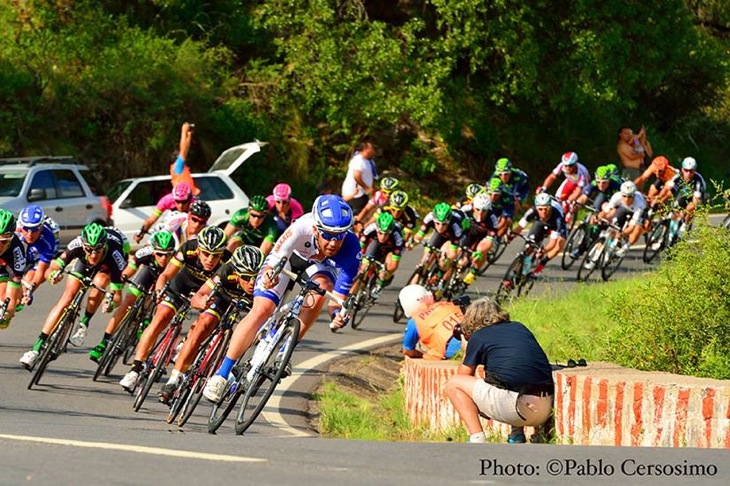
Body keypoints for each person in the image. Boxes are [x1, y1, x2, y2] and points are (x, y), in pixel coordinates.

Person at [203, 195, 361, 402]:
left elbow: (337, 299)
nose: (333, 242)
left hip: (318, 268)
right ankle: (221, 375)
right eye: (327, 234)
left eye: (339, 236)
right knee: (262, 309)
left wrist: (337, 315)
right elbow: (275, 261)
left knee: (323, 288)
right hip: (287, 259)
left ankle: (285, 351)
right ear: (315, 228)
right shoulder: (301, 228)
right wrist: (269, 276)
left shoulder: (352, 250)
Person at [119, 226, 230, 392]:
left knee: (205, 322)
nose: (210, 259)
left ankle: (185, 345)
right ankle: (135, 369)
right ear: (198, 249)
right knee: (160, 318)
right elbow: (166, 274)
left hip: (208, 292)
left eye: (215, 255)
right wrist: (159, 292)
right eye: (206, 253)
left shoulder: (228, 261)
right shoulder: (188, 248)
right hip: (183, 284)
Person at [158, 245, 263, 404]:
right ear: (236, 273)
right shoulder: (226, 271)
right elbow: (199, 295)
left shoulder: (263, 282)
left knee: (246, 334)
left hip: (251, 305)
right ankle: (174, 379)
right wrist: (202, 302)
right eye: (246, 277)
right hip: (222, 297)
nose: (252, 282)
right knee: (203, 325)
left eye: (255, 277)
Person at [445, 297, 554, 444]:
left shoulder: (479, 336)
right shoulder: (519, 327)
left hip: (517, 410)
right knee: (505, 377)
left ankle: (477, 438)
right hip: (546, 408)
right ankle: (516, 435)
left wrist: (466, 349)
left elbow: (463, 376)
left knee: (454, 383)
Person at [19, 223, 128, 368]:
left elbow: (118, 296)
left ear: (104, 246)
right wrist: (53, 275)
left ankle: (84, 322)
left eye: (98, 250)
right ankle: (36, 349)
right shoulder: (75, 245)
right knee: (67, 298)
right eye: (89, 250)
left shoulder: (115, 255)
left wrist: (111, 304)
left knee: (100, 283)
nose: (94, 255)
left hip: (108, 264)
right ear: (83, 246)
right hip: (83, 262)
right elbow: (53, 267)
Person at [88, 231, 176, 362]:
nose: (163, 258)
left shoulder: (176, 261)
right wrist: (123, 277)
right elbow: (129, 269)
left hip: (166, 280)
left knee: (159, 308)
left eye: (167, 254)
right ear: (153, 252)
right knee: (128, 302)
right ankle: (104, 342)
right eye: (160, 254)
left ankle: (145, 329)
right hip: (147, 274)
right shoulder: (144, 253)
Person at [509, 193, 567, 277]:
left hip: (554, 224)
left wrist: (543, 251)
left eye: (546, 209)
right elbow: (520, 227)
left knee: (558, 247)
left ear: (550, 207)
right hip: (540, 223)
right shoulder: (532, 211)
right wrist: (511, 237)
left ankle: (539, 268)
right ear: (536, 207)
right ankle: (519, 268)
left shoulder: (557, 218)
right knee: (530, 245)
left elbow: (552, 243)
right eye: (540, 209)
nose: (543, 212)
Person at [399, 285, 463, 360]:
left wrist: (422, 355)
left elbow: (407, 351)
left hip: (456, 351)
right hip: (473, 339)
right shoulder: (445, 304)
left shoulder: (414, 322)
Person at [16, 205, 60, 308]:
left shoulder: (49, 238)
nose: (30, 234)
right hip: (21, 251)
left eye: (34, 229)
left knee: (27, 282)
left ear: (41, 227)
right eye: (26, 229)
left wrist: (30, 289)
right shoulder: (16, 230)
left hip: (38, 256)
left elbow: (40, 271)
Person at [355, 211, 405, 299]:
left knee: (388, 267)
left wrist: (386, 273)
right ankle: (359, 287)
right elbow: (359, 248)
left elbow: (394, 264)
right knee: (364, 266)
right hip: (376, 243)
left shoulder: (397, 235)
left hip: (391, 248)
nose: (382, 237)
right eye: (380, 233)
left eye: (386, 234)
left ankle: (380, 284)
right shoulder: (371, 229)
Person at [537, 152, 591, 224]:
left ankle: (568, 220)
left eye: (570, 165)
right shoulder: (562, 165)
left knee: (572, 205)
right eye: (566, 166)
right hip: (571, 181)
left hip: (583, 187)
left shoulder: (581, 172)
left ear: (575, 164)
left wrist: (569, 201)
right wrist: (544, 188)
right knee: (558, 199)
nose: (567, 168)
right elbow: (552, 177)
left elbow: (578, 190)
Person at [460, 193, 498, 285]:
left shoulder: (492, 218)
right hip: (469, 232)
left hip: (483, 237)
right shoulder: (465, 210)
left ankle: (473, 272)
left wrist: (480, 252)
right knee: (461, 258)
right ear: (473, 206)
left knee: (481, 251)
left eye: (484, 210)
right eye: (477, 209)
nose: (480, 213)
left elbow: (489, 240)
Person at [0, 209, 26, 329]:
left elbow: (11, 296)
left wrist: (9, 311)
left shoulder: (17, 251)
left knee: (10, 307)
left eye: (4, 241)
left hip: (6, 267)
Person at [341, 142, 377, 214]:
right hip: (354, 193)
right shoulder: (358, 160)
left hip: (363, 193)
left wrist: (372, 189)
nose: (373, 150)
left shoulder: (370, 161)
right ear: (366, 149)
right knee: (355, 213)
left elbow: (371, 176)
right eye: (371, 148)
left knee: (362, 211)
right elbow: (357, 176)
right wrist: (367, 188)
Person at [170, 122, 199, 196]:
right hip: (185, 199)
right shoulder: (178, 166)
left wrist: (189, 135)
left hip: (188, 197)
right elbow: (183, 150)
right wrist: (183, 131)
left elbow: (186, 149)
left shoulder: (178, 168)